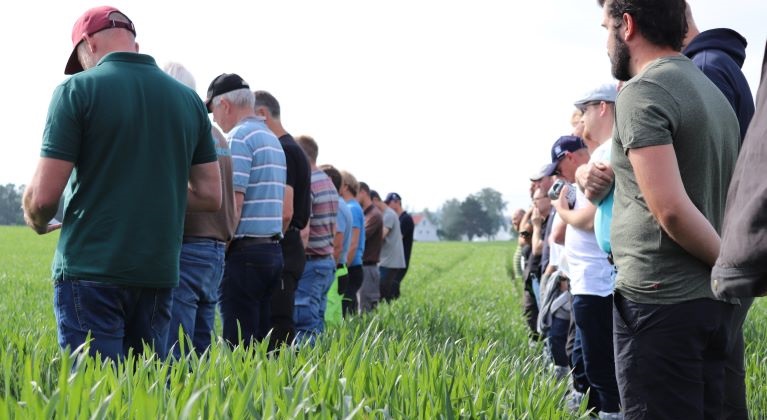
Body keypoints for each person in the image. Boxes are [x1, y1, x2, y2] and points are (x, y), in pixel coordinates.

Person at [22, 6, 222, 361]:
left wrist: (36, 222)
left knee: (97, 397)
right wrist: (154, 190)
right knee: (143, 395)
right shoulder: (188, 100)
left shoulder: (76, 90)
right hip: (158, 272)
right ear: (134, 43)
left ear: (88, 44)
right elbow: (210, 195)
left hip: (91, 269)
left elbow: (42, 200)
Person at [597, 1, 740, 418]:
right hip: (712, 304)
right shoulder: (710, 90)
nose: (606, 42)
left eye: (606, 27)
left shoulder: (643, 92)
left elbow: (672, 210)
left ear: (627, 25)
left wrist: (728, 263)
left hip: (659, 304)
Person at [682, 8, 755, 418]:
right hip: (725, 244)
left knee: (714, 378)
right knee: (722, 371)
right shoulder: (715, 64)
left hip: (715, 246)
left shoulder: (704, 70)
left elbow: (709, 173)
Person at [163, 62, 237, 359]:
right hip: (216, 250)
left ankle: (176, 403)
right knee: (201, 345)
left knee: (174, 351)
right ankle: (202, 402)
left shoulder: (182, 129)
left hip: (189, 246)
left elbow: (172, 188)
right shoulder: (217, 134)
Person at [208, 73, 286, 346]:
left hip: (244, 254)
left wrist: (222, 249)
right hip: (272, 251)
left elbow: (235, 203)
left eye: (214, 110)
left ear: (225, 105)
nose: (215, 119)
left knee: (238, 344)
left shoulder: (239, 138)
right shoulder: (271, 138)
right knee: (261, 341)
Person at [546, 135, 620, 418]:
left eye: (558, 166)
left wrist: (560, 209)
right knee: (583, 358)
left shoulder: (596, 173)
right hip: (584, 283)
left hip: (598, 284)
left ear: (568, 158)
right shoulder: (575, 186)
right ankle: (593, 411)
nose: (557, 173)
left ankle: (610, 412)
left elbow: (588, 222)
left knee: (599, 363)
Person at [254, 90, 312, 350]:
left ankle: (281, 381)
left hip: (283, 246)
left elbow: (286, 211)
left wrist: (269, 244)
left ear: (262, 114)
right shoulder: (295, 148)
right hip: (291, 246)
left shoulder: (285, 150)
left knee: (277, 327)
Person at [294, 135, 338, 345]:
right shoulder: (327, 182)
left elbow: (304, 230)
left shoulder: (308, 182)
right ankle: (321, 369)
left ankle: (306, 370)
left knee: (304, 324)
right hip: (326, 261)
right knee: (317, 320)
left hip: (311, 262)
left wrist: (295, 261)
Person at [320, 164, 352, 328]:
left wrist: (327, 272)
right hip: (339, 268)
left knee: (329, 320)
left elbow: (337, 245)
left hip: (335, 269)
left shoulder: (337, 206)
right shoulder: (340, 204)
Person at [372, 191, 406, 302]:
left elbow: (380, 236)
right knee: (384, 291)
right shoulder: (388, 214)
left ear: (376, 200)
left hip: (389, 261)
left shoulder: (388, 215)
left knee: (381, 291)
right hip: (388, 260)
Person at [339, 170, 366, 315]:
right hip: (354, 266)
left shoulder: (351, 209)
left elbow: (353, 243)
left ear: (345, 186)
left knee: (345, 311)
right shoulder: (354, 207)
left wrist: (343, 268)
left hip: (352, 266)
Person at [357, 182, 383, 313]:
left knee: (365, 310)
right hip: (364, 267)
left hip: (368, 268)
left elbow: (360, 236)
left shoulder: (374, 215)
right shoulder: (366, 214)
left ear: (363, 192)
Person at [385, 192, 414, 298]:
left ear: (397, 202)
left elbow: (396, 239)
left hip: (401, 261)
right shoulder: (399, 219)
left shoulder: (405, 219)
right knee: (390, 287)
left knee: (392, 286)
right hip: (395, 260)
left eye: (389, 202)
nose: (387, 206)